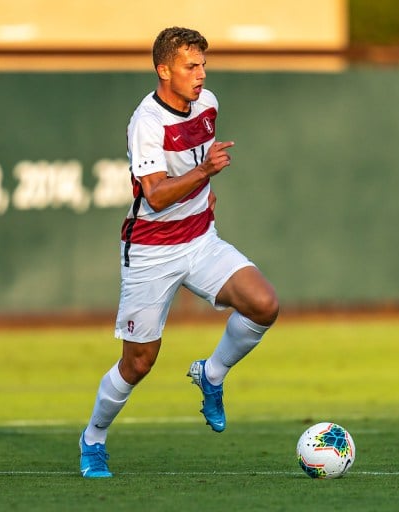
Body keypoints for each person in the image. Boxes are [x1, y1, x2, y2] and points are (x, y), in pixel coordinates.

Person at [78, 26, 279, 478]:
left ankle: (211, 374)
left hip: (200, 238)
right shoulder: (145, 123)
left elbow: (197, 163)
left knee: (264, 304)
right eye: (191, 65)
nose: (201, 74)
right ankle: (93, 438)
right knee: (138, 362)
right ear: (163, 69)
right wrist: (206, 171)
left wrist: (206, 192)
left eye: (204, 64)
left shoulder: (208, 104)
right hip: (151, 250)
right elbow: (155, 196)